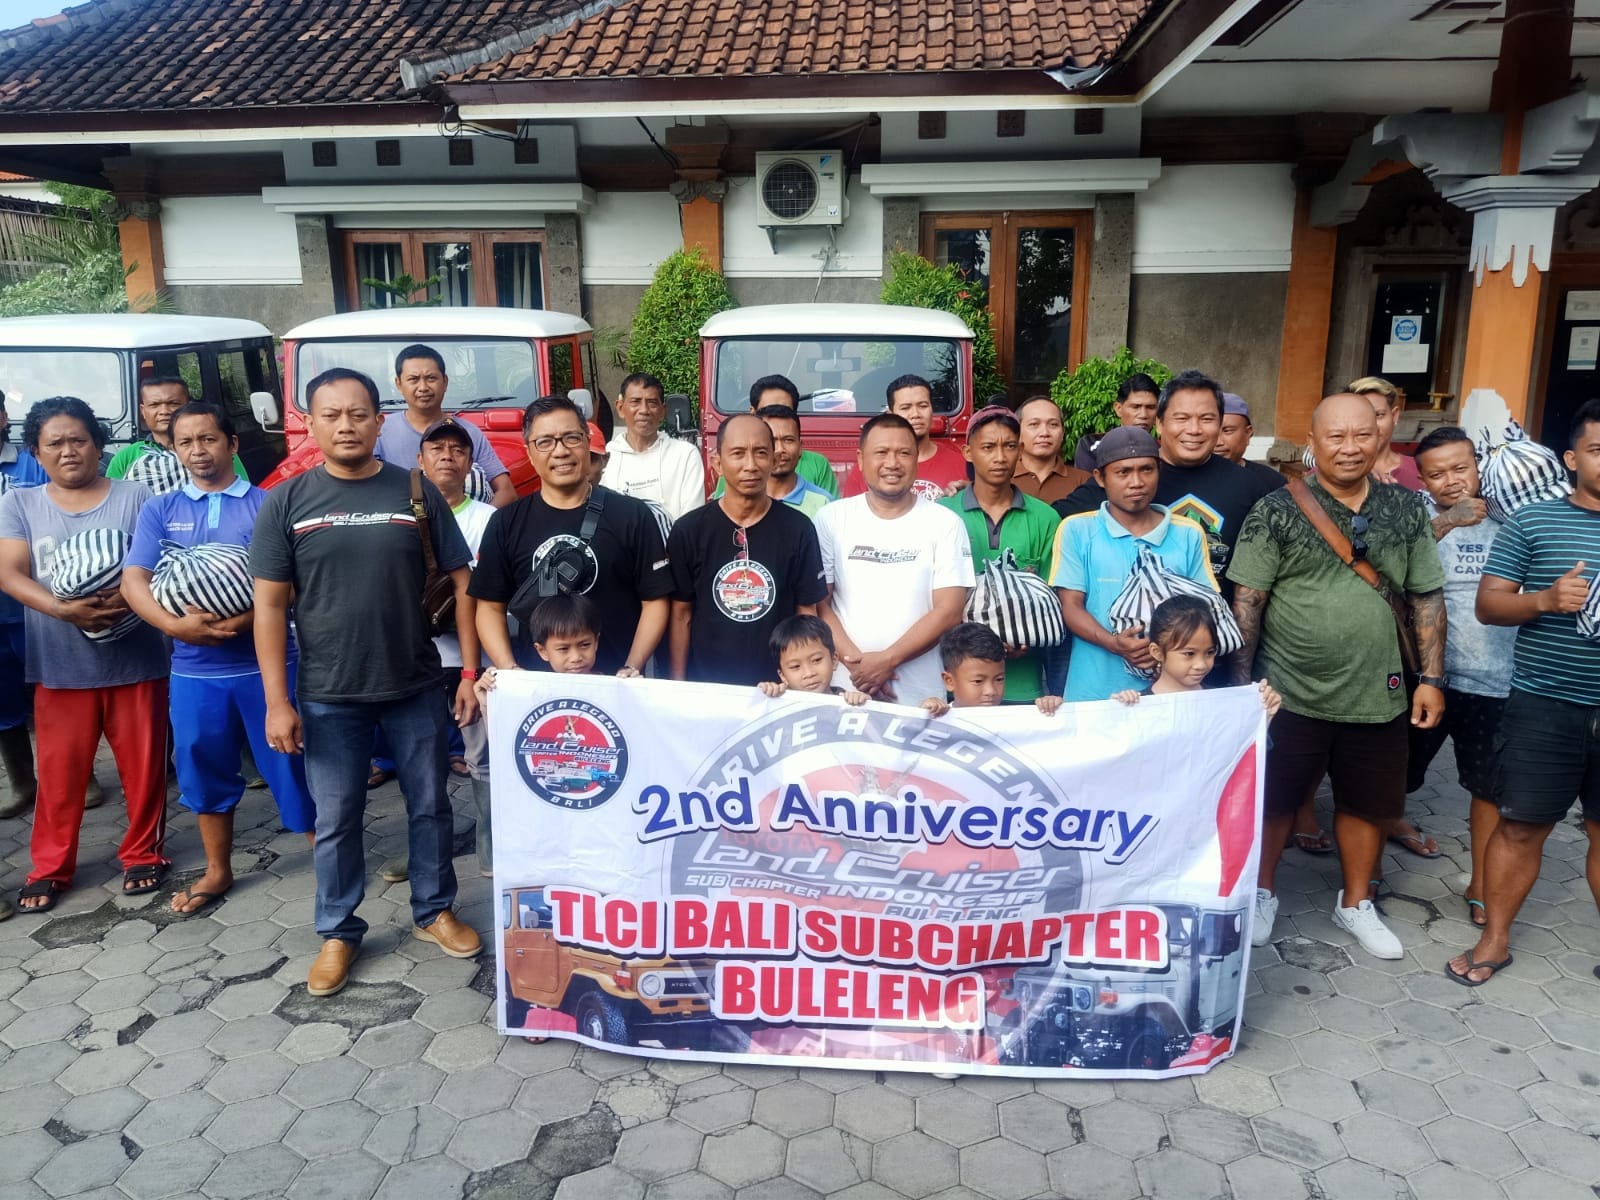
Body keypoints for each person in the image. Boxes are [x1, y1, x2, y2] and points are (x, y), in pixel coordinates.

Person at [251, 367, 482, 998]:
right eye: (331, 415)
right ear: (310, 423)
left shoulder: (415, 490)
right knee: (336, 816)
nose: (346, 425)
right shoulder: (286, 502)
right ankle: (337, 931)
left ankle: (434, 911)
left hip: (415, 683)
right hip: (329, 693)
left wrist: (468, 671)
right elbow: (269, 607)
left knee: (430, 805)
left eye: (358, 414)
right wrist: (276, 701)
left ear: (380, 422)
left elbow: (464, 584)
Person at [1228, 392, 1446, 960]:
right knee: (1275, 801)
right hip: (1287, 691)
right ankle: (1260, 893)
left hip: (1379, 691)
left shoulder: (1405, 509)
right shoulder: (1276, 510)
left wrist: (1432, 679)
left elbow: (1427, 596)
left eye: (1361, 434)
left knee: (1368, 803)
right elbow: (1248, 601)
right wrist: (1242, 689)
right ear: (1313, 442)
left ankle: (1355, 903)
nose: (1350, 447)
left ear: (1380, 436)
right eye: (1336, 436)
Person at [121, 401, 315, 915]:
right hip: (193, 671)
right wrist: (172, 626)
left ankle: (331, 861)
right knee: (202, 769)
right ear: (174, 450)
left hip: (269, 665)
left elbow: (296, 582)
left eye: (208, 439)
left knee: (295, 763)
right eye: (185, 442)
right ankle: (217, 869)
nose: (198, 451)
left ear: (232, 443)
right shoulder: (160, 509)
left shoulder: (269, 503)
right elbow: (134, 580)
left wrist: (248, 620)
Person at [1445, 399, 1600, 986]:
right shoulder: (1533, 523)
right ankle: (1494, 940)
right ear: (1571, 459)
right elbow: (1489, 605)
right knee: (1520, 827)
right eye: (1598, 450)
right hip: (1543, 705)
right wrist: (1545, 600)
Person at [0, 396, 172, 912]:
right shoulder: (21, 504)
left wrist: (126, 599)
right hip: (59, 665)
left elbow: (163, 560)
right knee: (59, 777)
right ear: (36, 452)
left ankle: (143, 853)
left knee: (144, 769)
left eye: (79, 439)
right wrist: (62, 608)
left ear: (98, 445)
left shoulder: (136, 496)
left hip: (136, 658)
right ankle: (50, 867)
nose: (68, 450)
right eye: (54, 443)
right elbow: (9, 572)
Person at [473, 395, 672, 678]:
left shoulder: (633, 515)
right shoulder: (506, 522)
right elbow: (489, 607)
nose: (561, 451)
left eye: (571, 438)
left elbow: (655, 601)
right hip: (538, 690)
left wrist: (632, 666)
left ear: (587, 443)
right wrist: (511, 672)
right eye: (545, 442)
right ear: (529, 452)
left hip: (618, 685)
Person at [378, 417, 496, 885]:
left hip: (475, 659)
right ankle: (425, 853)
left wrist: (475, 668)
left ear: (470, 463)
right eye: (437, 449)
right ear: (419, 460)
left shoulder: (491, 520)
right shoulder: (398, 516)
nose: (448, 456)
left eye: (458, 450)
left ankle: (491, 848)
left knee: (483, 758)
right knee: (420, 763)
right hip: (418, 660)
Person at [1407, 426, 1515, 931]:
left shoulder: (1511, 516)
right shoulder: (1417, 520)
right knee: (1395, 776)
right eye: (1437, 474)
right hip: (1429, 678)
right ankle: (1372, 869)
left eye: (1460, 468)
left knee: (1487, 789)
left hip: (1497, 680)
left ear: (1478, 466)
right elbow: (1391, 565)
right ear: (1422, 480)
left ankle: (1482, 885)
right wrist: (1448, 520)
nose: (1451, 480)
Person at [1050, 426, 1217, 704]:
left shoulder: (1188, 533)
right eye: (1123, 472)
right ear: (1099, 477)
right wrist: (1113, 642)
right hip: (1093, 695)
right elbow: (1070, 605)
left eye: (1146, 470)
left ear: (1159, 471)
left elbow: (1203, 609)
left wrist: (1167, 652)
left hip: (1170, 696)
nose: (1136, 482)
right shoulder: (1077, 530)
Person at [816, 413, 974, 704]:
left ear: (916, 459)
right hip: (845, 689)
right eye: (881, 452)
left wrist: (887, 660)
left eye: (904, 453)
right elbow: (819, 604)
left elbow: (949, 611)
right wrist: (859, 667)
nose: (892, 463)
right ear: (861, 459)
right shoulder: (830, 519)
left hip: (922, 696)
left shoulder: (945, 523)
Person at [667, 414, 826, 686]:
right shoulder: (689, 530)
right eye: (738, 454)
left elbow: (806, 611)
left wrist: (801, 684)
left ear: (773, 460)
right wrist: (678, 684)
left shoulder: (799, 529)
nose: (750, 465)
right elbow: (681, 614)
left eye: (761, 453)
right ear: (717, 463)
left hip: (777, 688)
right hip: (708, 687)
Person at [938, 406, 1061, 702]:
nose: (1000, 457)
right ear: (968, 452)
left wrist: (1026, 637)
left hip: (1023, 686)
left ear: (1020, 451)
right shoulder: (942, 515)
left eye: (1009, 446)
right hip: (958, 686)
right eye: (988, 447)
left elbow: (1052, 598)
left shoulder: (1045, 518)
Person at [374, 345, 516, 507]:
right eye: (413, 379)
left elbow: (506, 491)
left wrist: (477, 519)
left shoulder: (469, 432)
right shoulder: (380, 431)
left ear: (445, 382)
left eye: (431, 378)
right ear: (399, 384)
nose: (423, 387)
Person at [1111, 595, 1281, 717]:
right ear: (1157, 652)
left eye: (1210, 652)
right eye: (1189, 654)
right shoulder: (1137, 707)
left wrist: (1263, 715)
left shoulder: (1224, 703)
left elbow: (1240, 750)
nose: (1201, 664)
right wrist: (1117, 713)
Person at [0, 395, 46, 825]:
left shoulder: (34, 462)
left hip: (36, 603)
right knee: (3, 700)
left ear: (3, 417)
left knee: (54, 692)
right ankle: (21, 783)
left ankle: (80, 775)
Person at [842, 375, 969, 501]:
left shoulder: (960, 463)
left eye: (923, 406)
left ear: (932, 410)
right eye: (905, 408)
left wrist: (968, 493)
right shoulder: (869, 467)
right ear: (891, 414)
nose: (915, 414)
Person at [712, 375, 839, 500]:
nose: (776, 414)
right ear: (753, 413)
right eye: (767, 410)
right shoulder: (737, 464)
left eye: (784, 410)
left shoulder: (817, 465)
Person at [107, 377, 247, 490]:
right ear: (143, 411)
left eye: (173, 403)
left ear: (188, 405)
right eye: (154, 405)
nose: (164, 411)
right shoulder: (125, 458)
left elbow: (241, 491)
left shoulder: (217, 451)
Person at [601, 372, 705, 520]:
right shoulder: (605, 458)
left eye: (652, 403)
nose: (644, 410)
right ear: (620, 408)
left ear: (663, 411)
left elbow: (692, 520)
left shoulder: (685, 455)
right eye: (635, 402)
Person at [919, 622, 1063, 716]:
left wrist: (1051, 708)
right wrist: (924, 714)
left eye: (999, 679)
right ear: (949, 681)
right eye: (978, 681)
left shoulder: (1015, 721)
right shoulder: (938, 719)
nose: (991, 691)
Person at [757, 614, 868, 704]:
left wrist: (863, 705)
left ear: (834, 660)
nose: (809, 673)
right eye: (795, 666)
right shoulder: (777, 702)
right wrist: (762, 695)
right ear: (782, 675)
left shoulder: (845, 701)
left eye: (816, 660)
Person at [1072, 372, 1160, 471]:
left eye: (1151, 407)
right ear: (1118, 408)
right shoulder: (1091, 445)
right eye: (1136, 407)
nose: (1143, 415)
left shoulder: (1163, 451)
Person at [756, 405, 833, 517]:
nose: (780, 449)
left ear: (800, 447)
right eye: (772, 441)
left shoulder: (824, 503)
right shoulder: (737, 500)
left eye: (788, 440)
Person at [1348, 376, 1422, 490]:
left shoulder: (1421, 471)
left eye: (1378, 415)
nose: (1370, 426)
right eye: (1359, 416)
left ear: (1394, 416)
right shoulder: (1330, 472)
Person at [1013, 395, 1088, 504]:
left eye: (1053, 424)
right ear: (1017, 432)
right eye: (1034, 424)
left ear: (1062, 433)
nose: (1044, 433)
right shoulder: (1001, 479)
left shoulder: (1084, 482)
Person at [1217, 394, 1285, 491]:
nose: (1218, 442)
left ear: (1248, 433)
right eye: (1212, 432)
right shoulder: (1193, 480)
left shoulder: (1271, 482)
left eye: (1227, 431)